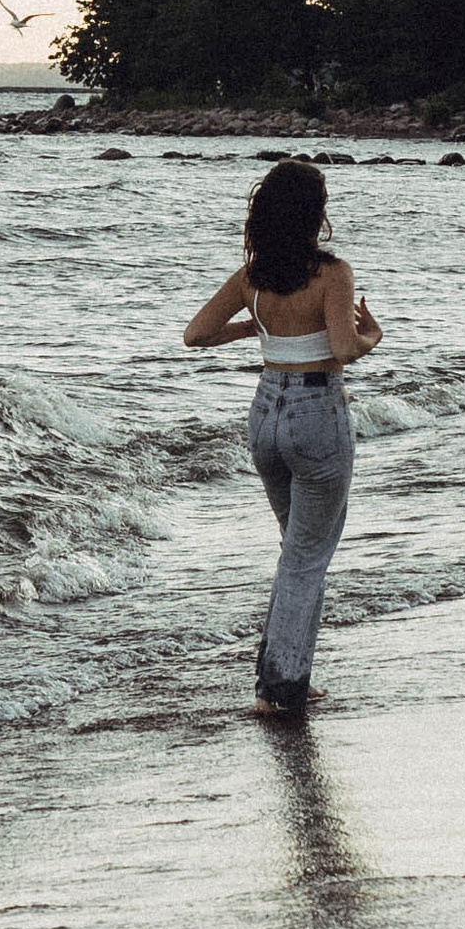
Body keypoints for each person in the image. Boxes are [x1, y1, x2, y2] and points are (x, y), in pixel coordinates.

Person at [182, 160, 382, 721]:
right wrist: (374, 335)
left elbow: (195, 335)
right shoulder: (333, 273)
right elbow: (343, 349)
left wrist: (252, 326)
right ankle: (281, 687)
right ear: (315, 215)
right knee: (305, 557)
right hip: (318, 412)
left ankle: (287, 672)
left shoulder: (253, 277)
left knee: (296, 551)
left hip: (266, 414)